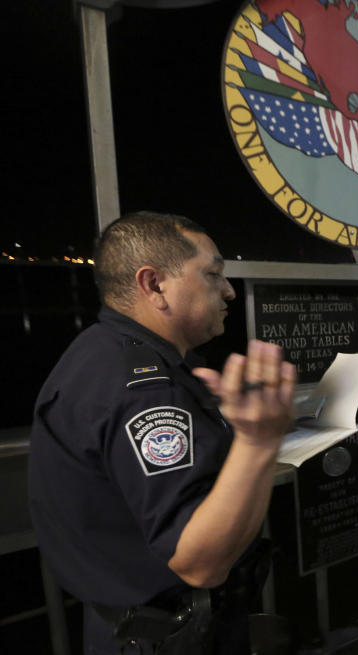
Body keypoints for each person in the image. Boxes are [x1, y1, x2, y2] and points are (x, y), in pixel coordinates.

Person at [28, 212, 297, 654]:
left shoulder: (111, 355)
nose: (229, 290)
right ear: (154, 285)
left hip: (142, 627)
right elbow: (200, 563)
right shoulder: (143, 392)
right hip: (168, 637)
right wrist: (259, 441)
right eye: (212, 274)